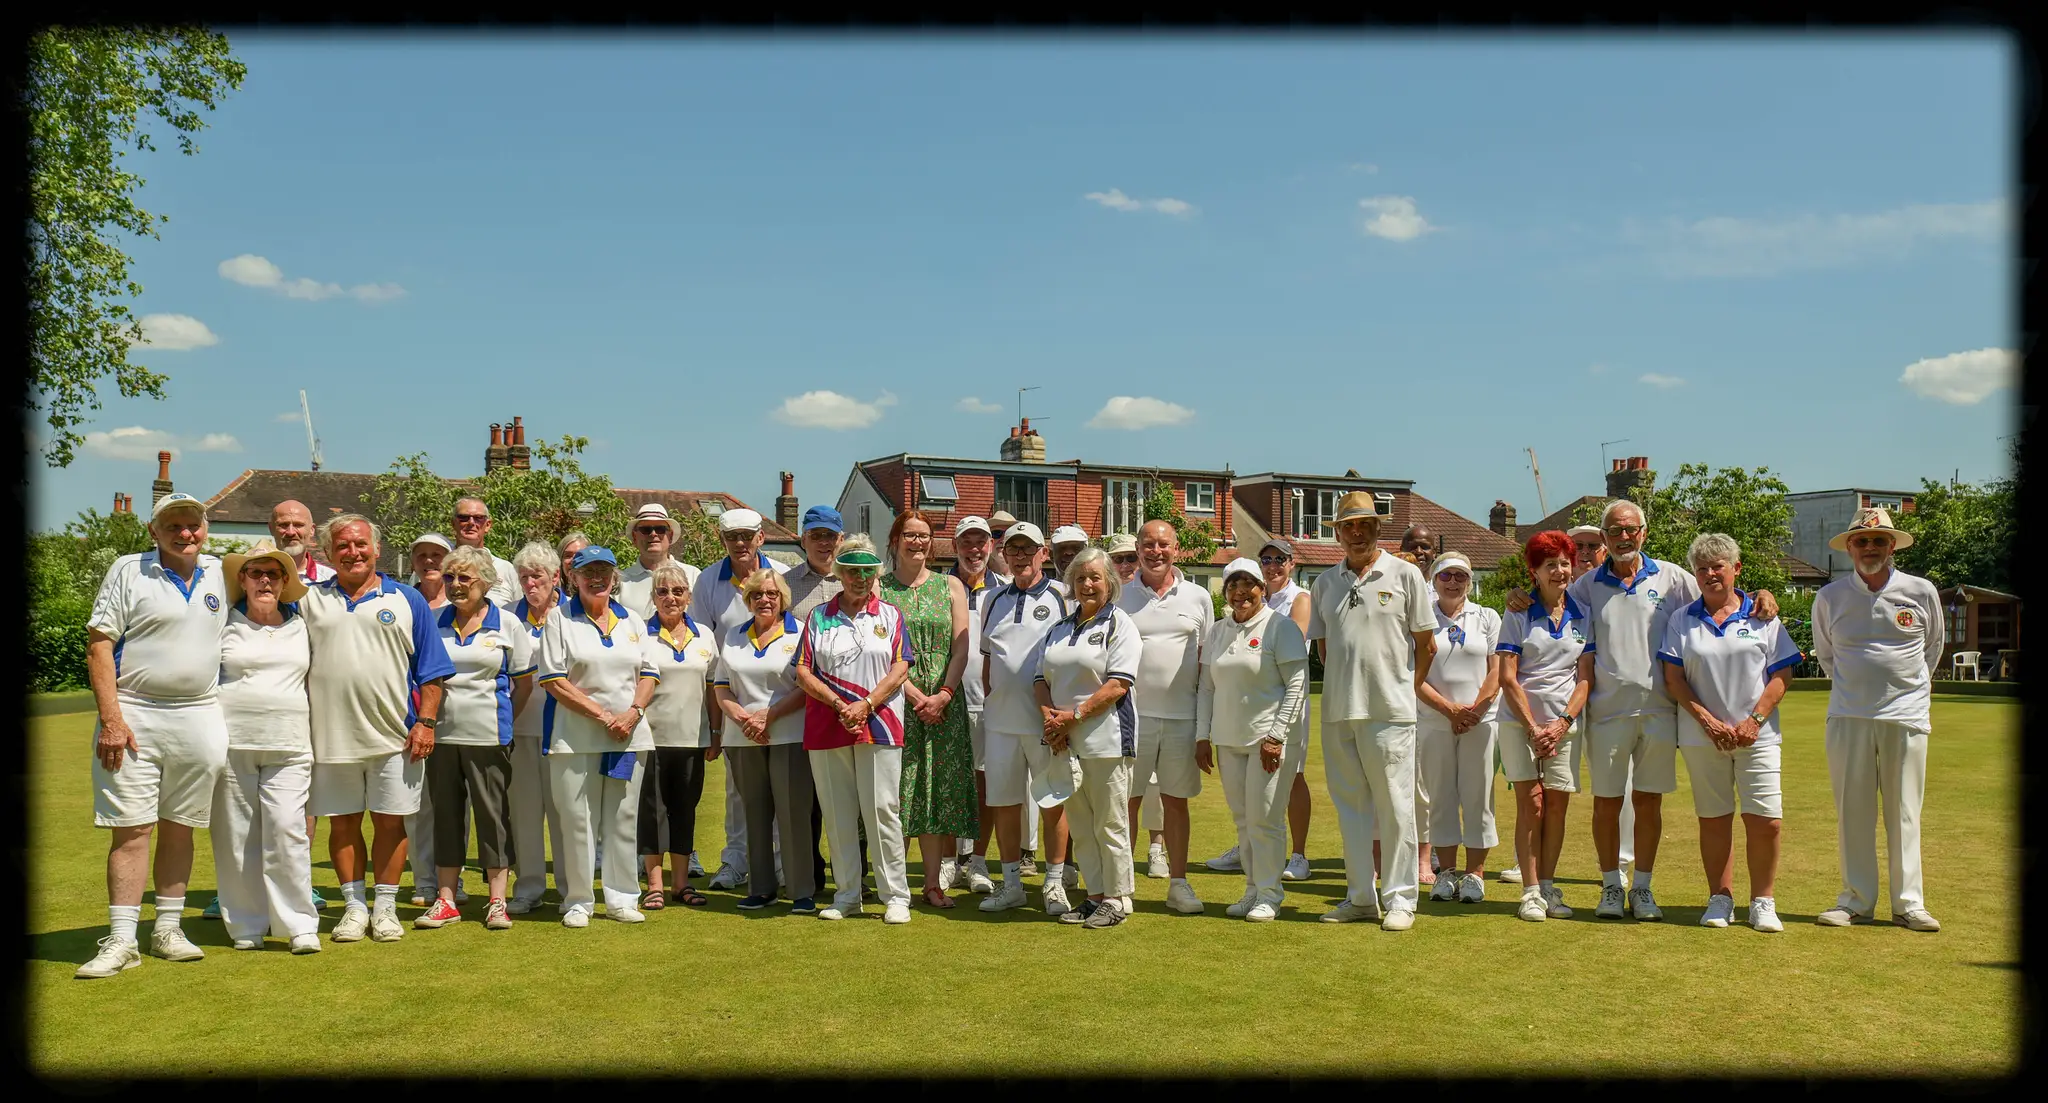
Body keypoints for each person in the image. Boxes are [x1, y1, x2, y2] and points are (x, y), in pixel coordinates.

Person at [76, 493, 231, 979]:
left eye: (194, 526)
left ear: (205, 528)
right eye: (175, 526)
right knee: (133, 828)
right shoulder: (129, 569)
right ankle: (122, 940)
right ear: (155, 531)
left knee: (181, 824)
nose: (186, 534)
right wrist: (113, 720)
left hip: (200, 714)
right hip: (136, 713)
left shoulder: (222, 573)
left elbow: (285, 584)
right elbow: (100, 645)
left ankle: (167, 929)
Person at [300, 515, 454, 946]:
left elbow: (433, 671)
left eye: (360, 544)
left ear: (377, 549)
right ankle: (354, 908)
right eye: (343, 546)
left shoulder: (407, 599)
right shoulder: (310, 600)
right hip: (329, 737)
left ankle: (384, 908)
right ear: (327, 555)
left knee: (391, 825)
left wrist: (425, 722)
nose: (353, 552)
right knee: (343, 825)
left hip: (396, 737)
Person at [1658, 534, 1801, 933]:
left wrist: (1753, 721)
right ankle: (1720, 898)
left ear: (1736, 569)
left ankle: (1763, 901)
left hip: (1757, 737)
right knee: (1714, 818)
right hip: (1702, 737)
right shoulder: (1681, 619)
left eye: (1717, 566)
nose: (1709, 574)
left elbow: (1782, 675)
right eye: (1701, 568)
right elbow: (1674, 679)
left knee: (1765, 819)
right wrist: (1706, 721)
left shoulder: (1762, 615)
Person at [1811, 507, 1944, 932]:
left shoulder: (1921, 591)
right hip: (1849, 715)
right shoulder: (1830, 596)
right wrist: (1859, 689)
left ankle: (1909, 904)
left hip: (1905, 715)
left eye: (1879, 541)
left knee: (1905, 811)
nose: (1871, 548)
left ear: (1892, 546)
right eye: (1862, 541)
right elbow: (1827, 655)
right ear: (1849, 546)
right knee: (1854, 811)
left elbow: (1932, 649)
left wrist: (1905, 690)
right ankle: (1854, 901)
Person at [1307, 492, 1435, 931]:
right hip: (1340, 712)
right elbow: (1325, 650)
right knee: (1351, 809)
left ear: (1378, 529)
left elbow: (1426, 646)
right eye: (1348, 526)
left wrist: (1403, 690)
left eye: (1364, 525)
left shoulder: (1406, 574)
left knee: (1397, 807)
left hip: (1391, 713)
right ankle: (1360, 896)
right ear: (1338, 533)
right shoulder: (1323, 583)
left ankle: (1400, 898)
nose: (1356, 533)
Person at [793, 534, 916, 924]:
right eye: (852, 571)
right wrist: (838, 704)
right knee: (837, 811)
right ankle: (847, 894)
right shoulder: (818, 616)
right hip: (828, 722)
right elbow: (802, 670)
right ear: (840, 573)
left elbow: (901, 667)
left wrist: (867, 704)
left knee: (882, 809)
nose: (860, 578)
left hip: (879, 721)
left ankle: (895, 895)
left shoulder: (891, 615)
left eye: (867, 570)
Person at [209, 542, 321, 955]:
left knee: (288, 830)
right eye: (255, 573)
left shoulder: (302, 623)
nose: (264, 581)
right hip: (232, 743)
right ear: (242, 579)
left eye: (272, 574)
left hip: (291, 744)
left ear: (284, 582)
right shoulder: (222, 622)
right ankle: (246, 924)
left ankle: (299, 924)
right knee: (236, 835)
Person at [538, 546, 658, 927]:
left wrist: (632, 714)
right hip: (575, 739)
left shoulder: (633, 621)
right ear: (572, 577)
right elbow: (554, 680)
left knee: (622, 818)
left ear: (614, 576)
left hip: (626, 738)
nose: (597, 578)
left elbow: (649, 674)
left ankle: (623, 897)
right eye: (588, 571)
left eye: (604, 570)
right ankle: (579, 900)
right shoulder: (558, 619)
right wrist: (604, 715)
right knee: (577, 820)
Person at [412, 547, 531, 932]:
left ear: (487, 582)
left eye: (465, 578)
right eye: (450, 578)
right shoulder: (432, 620)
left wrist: (503, 721)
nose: (456, 586)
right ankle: (446, 900)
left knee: (492, 816)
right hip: (441, 737)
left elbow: (524, 683)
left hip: (490, 737)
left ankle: (497, 900)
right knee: (446, 816)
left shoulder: (509, 624)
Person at [1195, 557, 1310, 922]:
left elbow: (1297, 684)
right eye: (1233, 585)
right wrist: (1202, 736)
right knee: (1243, 820)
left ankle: (1271, 894)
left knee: (1265, 820)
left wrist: (1276, 735)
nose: (1240, 592)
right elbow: (1206, 689)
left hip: (1268, 741)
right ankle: (1252, 888)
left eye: (1249, 584)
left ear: (1263, 588)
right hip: (1228, 740)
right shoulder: (1217, 631)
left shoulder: (1281, 627)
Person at [1034, 546, 1144, 929]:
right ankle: (1094, 895)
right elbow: (1039, 680)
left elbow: (1118, 685)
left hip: (1108, 740)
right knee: (1081, 825)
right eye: (1080, 578)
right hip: (1066, 743)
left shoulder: (1120, 625)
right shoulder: (1059, 628)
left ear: (1109, 582)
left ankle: (1116, 897)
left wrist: (1073, 716)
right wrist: (1052, 721)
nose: (1087, 584)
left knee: (1110, 824)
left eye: (1095, 577)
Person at [976, 522, 1074, 913]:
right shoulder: (992, 598)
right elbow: (989, 661)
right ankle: (1012, 883)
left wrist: (1061, 717)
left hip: (1044, 722)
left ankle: (1053, 883)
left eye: (1027, 549)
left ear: (1043, 553)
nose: (1020, 556)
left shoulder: (1063, 595)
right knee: (1004, 802)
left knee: (1053, 801)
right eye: (1012, 549)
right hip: (1000, 721)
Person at [881, 512, 977, 909]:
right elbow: (883, 651)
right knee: (898, 792)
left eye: (924, 536)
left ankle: (933, 882)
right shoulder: (879, 589)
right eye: (909, 535)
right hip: (896, 701)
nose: (917, 543)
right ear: (895, 540)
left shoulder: (951, 585)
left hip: (946, 703)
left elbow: (961, 645)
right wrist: (916, 696)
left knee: (936, 791)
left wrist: (944, 694)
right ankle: (896, 884)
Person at [1117, 520, 1213, 915]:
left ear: (1177, 549)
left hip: (1181, 720)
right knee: (1126, 803)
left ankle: (1178, 884)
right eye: (1148, 544)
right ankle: (1120, 886)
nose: (1156, 551)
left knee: (1176, 803)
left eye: (1163, 544)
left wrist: (1203, 729)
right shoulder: (1119, 595)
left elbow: (1206, 666)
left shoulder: (1198, 597)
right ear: (1137, 548)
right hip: (1130, 719)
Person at [1496, 532, 1591, 923]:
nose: (1560, 570)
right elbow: (1507, 676)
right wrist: (1535, 727)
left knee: (1557, 806)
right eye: (1549, 564)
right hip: (1520, 724)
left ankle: (1549, 887)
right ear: (1534, 571)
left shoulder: (1583, 614)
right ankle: (1531, 891)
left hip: (1564, 725)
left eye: (1564, 562)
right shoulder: (1517, 612)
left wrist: (1563, 722)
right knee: (1531, 803)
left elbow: (1584, 678)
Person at [693, 507, 790, 892]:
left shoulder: (782, 574)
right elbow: (704, 647)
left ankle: (780, 864)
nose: (740, 543)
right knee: (736, 790)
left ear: (760, 537)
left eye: (747, 536)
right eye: (732, 537)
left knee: (782, 790)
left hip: (781, 701)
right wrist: (718, 720)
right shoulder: (706, 580)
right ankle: (735, 861)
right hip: (730, 698)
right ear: (723, 540)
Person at [712, 568, 819, 913]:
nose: (765, 600)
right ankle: (761, 888)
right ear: (748, 599)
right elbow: (721, 685)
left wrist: (767, 716)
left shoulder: (799, 632)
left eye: (772, 594)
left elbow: (807, 686)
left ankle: (801, 889)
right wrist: (743, 718)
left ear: (783, 598)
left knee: (793, 814)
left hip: (788, 735)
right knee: (755, 814)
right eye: (758, 594)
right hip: (743, 737)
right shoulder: (732, 636)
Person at [1418, 552, 1502, 905]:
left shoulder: (1487, 617)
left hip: (1481, 723)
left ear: (1470, 581)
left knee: (1478, 795)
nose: (1453, 582)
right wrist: (1450, 710)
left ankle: (1476, 874)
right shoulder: (1421, 619)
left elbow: (1497, 670)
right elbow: (1414, 675)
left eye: (1461, 576)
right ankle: (1447, 872)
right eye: (1446, 576)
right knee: (1441, 797)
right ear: (1435, 580)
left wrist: (1475, 711)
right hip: (1435, 721)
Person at [636, 562, 718, 910]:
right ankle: (655, 884)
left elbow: (713, 688)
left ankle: (681, 884)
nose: (670, 598)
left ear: (688, 596)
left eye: (677, 591)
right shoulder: (640, 634)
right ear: (654, 597)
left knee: (685, 810)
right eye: (662, 591)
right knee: (651, 812)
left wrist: (715, 733)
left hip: (692, 739)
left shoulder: (705, 635)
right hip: (649, 738)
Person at [264, 501, 333, 914]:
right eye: (283, 525)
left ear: (312, 531)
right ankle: (239, 885)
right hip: (258, 704)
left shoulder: (327, 580)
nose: (290, 531)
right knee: (246, 804)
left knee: (304, 802)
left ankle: (300, 884)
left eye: (297, 525)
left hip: (313, 707)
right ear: (272, 529)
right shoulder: (246, 574)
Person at [783, 506, 846, 895]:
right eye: (816, 536)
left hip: (852, 705)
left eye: (830, 536)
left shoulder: (856, 579)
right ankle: (811, 871)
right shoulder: (786, 584)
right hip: (801, 705)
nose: (824, 543)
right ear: (803, 539)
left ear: (841, 539)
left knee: (848, 796)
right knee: (806, 799)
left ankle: (850, 873)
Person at [506, 540, 569, 913]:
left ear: (556, 577)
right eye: (524, 577)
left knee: (565, 815)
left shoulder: (573, 616)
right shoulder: (508, 617)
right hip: (522, 730)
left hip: (565, 731)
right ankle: (528, 887)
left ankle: (569, 889)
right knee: (525, 813)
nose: (531, 584)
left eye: (538, 577)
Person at [949, 516, 1008, 891]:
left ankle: (978, 861)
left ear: (990, 546)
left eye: (981, 542)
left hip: (992, 705)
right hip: (948, 702)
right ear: (955, 547)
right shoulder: (942, 586)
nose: (975, 549)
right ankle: (950, 860)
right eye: (967, 542)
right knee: (952, 785)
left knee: (985, 786)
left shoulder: (1003, 590)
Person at [404, 531, 462, 904]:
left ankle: (451, 883)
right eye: (422, 555)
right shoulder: (403, 601)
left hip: (456, 724)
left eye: (437, 555)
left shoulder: (461, 607)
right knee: (416, 806)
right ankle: (424, 879)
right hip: (411, 716)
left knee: (454, 807)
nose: (430, 561)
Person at [617, 503, 702, 620]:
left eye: (660, 529)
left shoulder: (693, 575)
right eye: (645, 530)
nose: (653, 534)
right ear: (634, 537)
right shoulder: (621, 580)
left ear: (670, 536)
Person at [449, 497, 519, 608]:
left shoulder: (506, 569)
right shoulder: (436, 568)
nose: (471, 522)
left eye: (478, 518)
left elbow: (518, 610)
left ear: (488, 525)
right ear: (453, 524)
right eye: (463, 518)